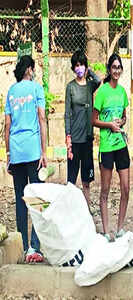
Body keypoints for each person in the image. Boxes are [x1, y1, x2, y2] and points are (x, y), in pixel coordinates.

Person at [4, 55, 46, 262]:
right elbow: (41, 118)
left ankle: (21, 246)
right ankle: (35, 247)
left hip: (17, 151)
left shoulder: (11, 91)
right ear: (29, 69)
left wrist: (8, 154)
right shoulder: (37, 89)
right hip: (33, 151)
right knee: (37, 198)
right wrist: (44, 152)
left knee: (21, 198)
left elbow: (7, 125)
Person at [92, 54, 130, 241]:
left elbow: (124, 117)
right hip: (106, 147)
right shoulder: (102, 92)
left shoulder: (122, 92)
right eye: (113, 67)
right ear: (109, 70)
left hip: (121, 145)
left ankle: (120, 227)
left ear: (121, 70)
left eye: (119, 67)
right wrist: (109, 125)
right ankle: (107, 231)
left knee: (125, 188)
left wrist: (121, 123)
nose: (116, 70)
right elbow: (94, 120)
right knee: (105, 190)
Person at [64, 50, 100, 207]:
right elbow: (67, 113)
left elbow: (98, 80)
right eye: (76, 65)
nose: (79, 68)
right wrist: (68, 136)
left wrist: (89, 70)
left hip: (87, 139)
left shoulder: (90, 85)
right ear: (73, 68)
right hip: (74, 140)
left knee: (87, 179)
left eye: (81, 65)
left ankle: (87, 210)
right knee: (71, 180)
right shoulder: (70, 87)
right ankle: (70, 210)